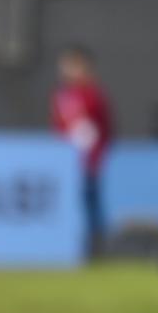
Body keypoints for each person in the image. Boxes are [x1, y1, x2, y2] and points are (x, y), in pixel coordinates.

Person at [50, 45, 112, 258]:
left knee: (91, 203)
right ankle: (72, 247)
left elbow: (104, 127)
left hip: (89, 160)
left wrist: (96, 152)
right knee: (71, 204)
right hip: (67, 160)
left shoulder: (93, 94)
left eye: (73, 65)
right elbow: (59, 127)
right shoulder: (62, 95)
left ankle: (96, 250)